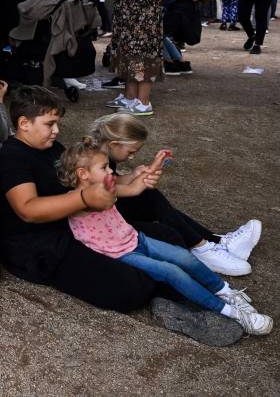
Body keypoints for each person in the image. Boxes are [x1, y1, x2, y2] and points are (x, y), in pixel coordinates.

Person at [61, 139, 272, 336]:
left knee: (183, 256)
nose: (110, 171)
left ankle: (225, 291)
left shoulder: (107, 187)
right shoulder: (74, 200)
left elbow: (135, 188)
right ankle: (231, 313)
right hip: (120, 254)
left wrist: (155, 164)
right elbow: (100, 202)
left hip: (136, 238)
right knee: (171, 272)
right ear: (83, 174)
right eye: (104, 168)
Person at [0, 86, 164, 312]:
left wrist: (133, 179)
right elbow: (28, 209)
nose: (56, 130)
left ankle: (202, 249)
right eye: (49, 124)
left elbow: (88, 180)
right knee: (133, 287)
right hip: (38, 248)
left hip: (75, 225)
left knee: (163, 232)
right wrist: (83, 199)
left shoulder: (53, 148)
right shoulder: (12, 159)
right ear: (24, 124)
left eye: (57, 123)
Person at [90, 113, 261, 276]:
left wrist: (134, 175)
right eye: (131, 152)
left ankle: (216, 243)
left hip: (108, 207)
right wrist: (134, 186)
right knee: (151, 198)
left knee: (154, 201)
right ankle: (202, 248)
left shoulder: (101, 152)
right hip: (99, 219)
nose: (132, 157)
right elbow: (97, 190)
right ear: (113, 144)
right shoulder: (92, 158)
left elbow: (111, 181)